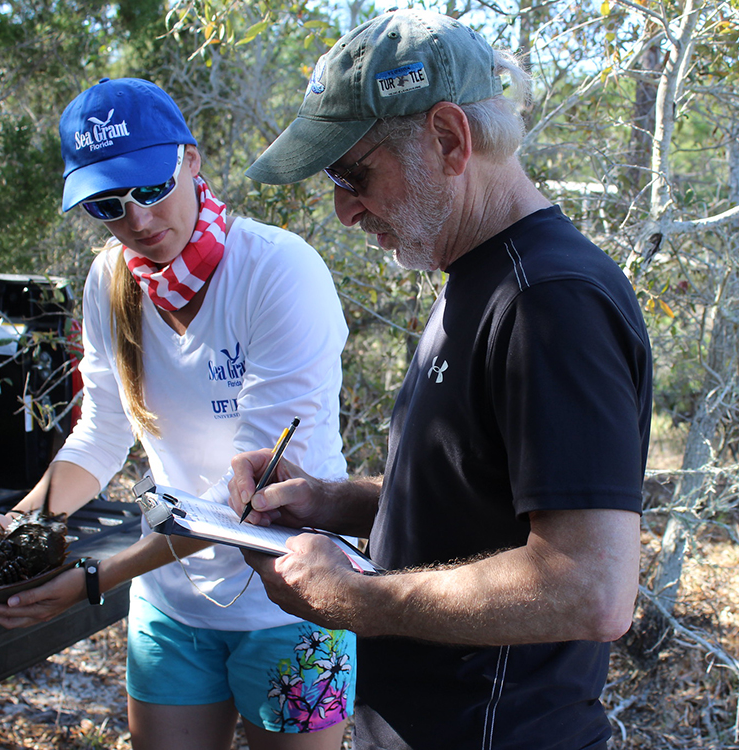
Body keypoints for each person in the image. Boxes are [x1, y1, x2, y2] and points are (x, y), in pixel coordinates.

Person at [226, 10, 653, 750]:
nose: (344, 209)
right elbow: (484, 505)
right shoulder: (480, 276)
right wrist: (334, 502)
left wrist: (359, 599)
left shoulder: (549, 299)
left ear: (450, 139)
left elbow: (592, 587)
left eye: (353, 174)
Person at [0, 78, 356, 750]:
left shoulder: (280, 273)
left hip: (292, 600)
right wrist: (22, 521)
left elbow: (254, 500)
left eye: (151, 187)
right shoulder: (110, 283)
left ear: (191, 160)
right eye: (107, 202)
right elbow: (103, 432)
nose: (136, 219)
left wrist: (97, 578)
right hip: (169, 605)